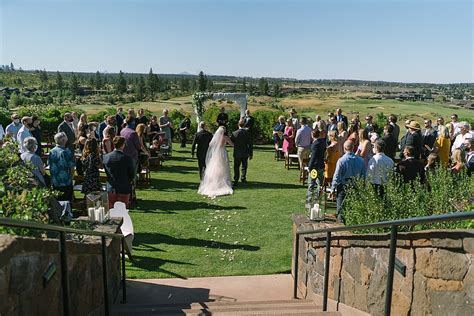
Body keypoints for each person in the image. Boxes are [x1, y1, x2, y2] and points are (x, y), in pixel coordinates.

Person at [331, 140, 366, 222]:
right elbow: (363, 176)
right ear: (353, 148)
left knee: (341, 210)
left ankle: (341, 226)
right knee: (353, 209)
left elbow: (336, 176)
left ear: (345, 148)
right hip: (355, 186)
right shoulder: (360, 160)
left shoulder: (341, 160)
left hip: (343, 187)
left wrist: (333, 189)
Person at [198, 126, 233, 197]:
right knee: (223, 167)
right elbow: (232, 144)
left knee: (215, 166)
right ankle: (223, 182)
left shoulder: (216, 137)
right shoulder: (225, 137)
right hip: (223, 152)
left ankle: (214, 181)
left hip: (216, 153)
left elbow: (210, 144)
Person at [103, 136, 135, 208]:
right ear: (123, 145)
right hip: (124, 187)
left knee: (111, 210)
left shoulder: (106, 157)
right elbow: (131, 174)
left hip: (111, 187)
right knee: (122, 211)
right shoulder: (126, 158)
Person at [48, 132, 76, 201]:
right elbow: (72, 167)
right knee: (67, 203)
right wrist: (71, 179)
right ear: (63, 140)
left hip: (55, 182)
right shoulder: (67, 151)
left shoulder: (51, 151)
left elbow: (49, 165)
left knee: (58, 203)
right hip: (66, 182)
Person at [306, 129, 327, 209]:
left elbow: (313, 157)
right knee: (320, 184)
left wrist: (309, 167)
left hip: (314, 167)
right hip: (321, 166)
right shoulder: (322, 142)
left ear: (312, 135)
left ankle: (309, 201)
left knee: (311, 184)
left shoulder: (315, 144)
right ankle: (317, 199)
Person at [231, 119, 253, 187]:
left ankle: (236, 180)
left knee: (236, 167)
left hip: (237, 152)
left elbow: (231, 142)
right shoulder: (247, 133)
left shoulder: (234, 133)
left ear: (238, 125)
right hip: (245, 152)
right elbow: (250, 144)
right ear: (244, 125)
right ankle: (243, 178)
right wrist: (251, 153)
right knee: (244, 166)